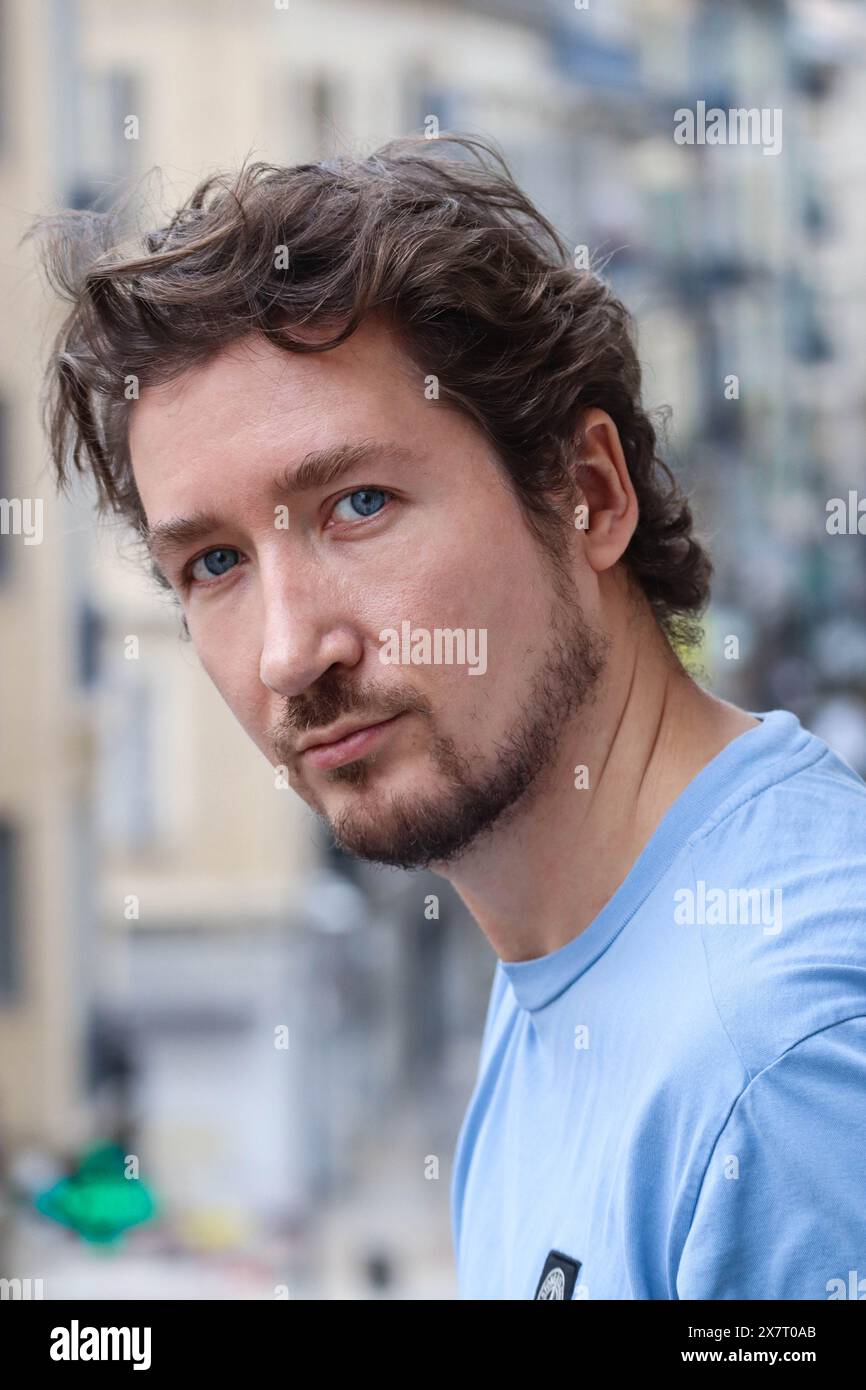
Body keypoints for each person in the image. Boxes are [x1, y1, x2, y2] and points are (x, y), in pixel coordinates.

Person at [31, 135, 866, 1299]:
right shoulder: (565, 966)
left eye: (357, 503)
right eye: (214, 562)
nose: (288, 651)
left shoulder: (780, 1069)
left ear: (588, 494)